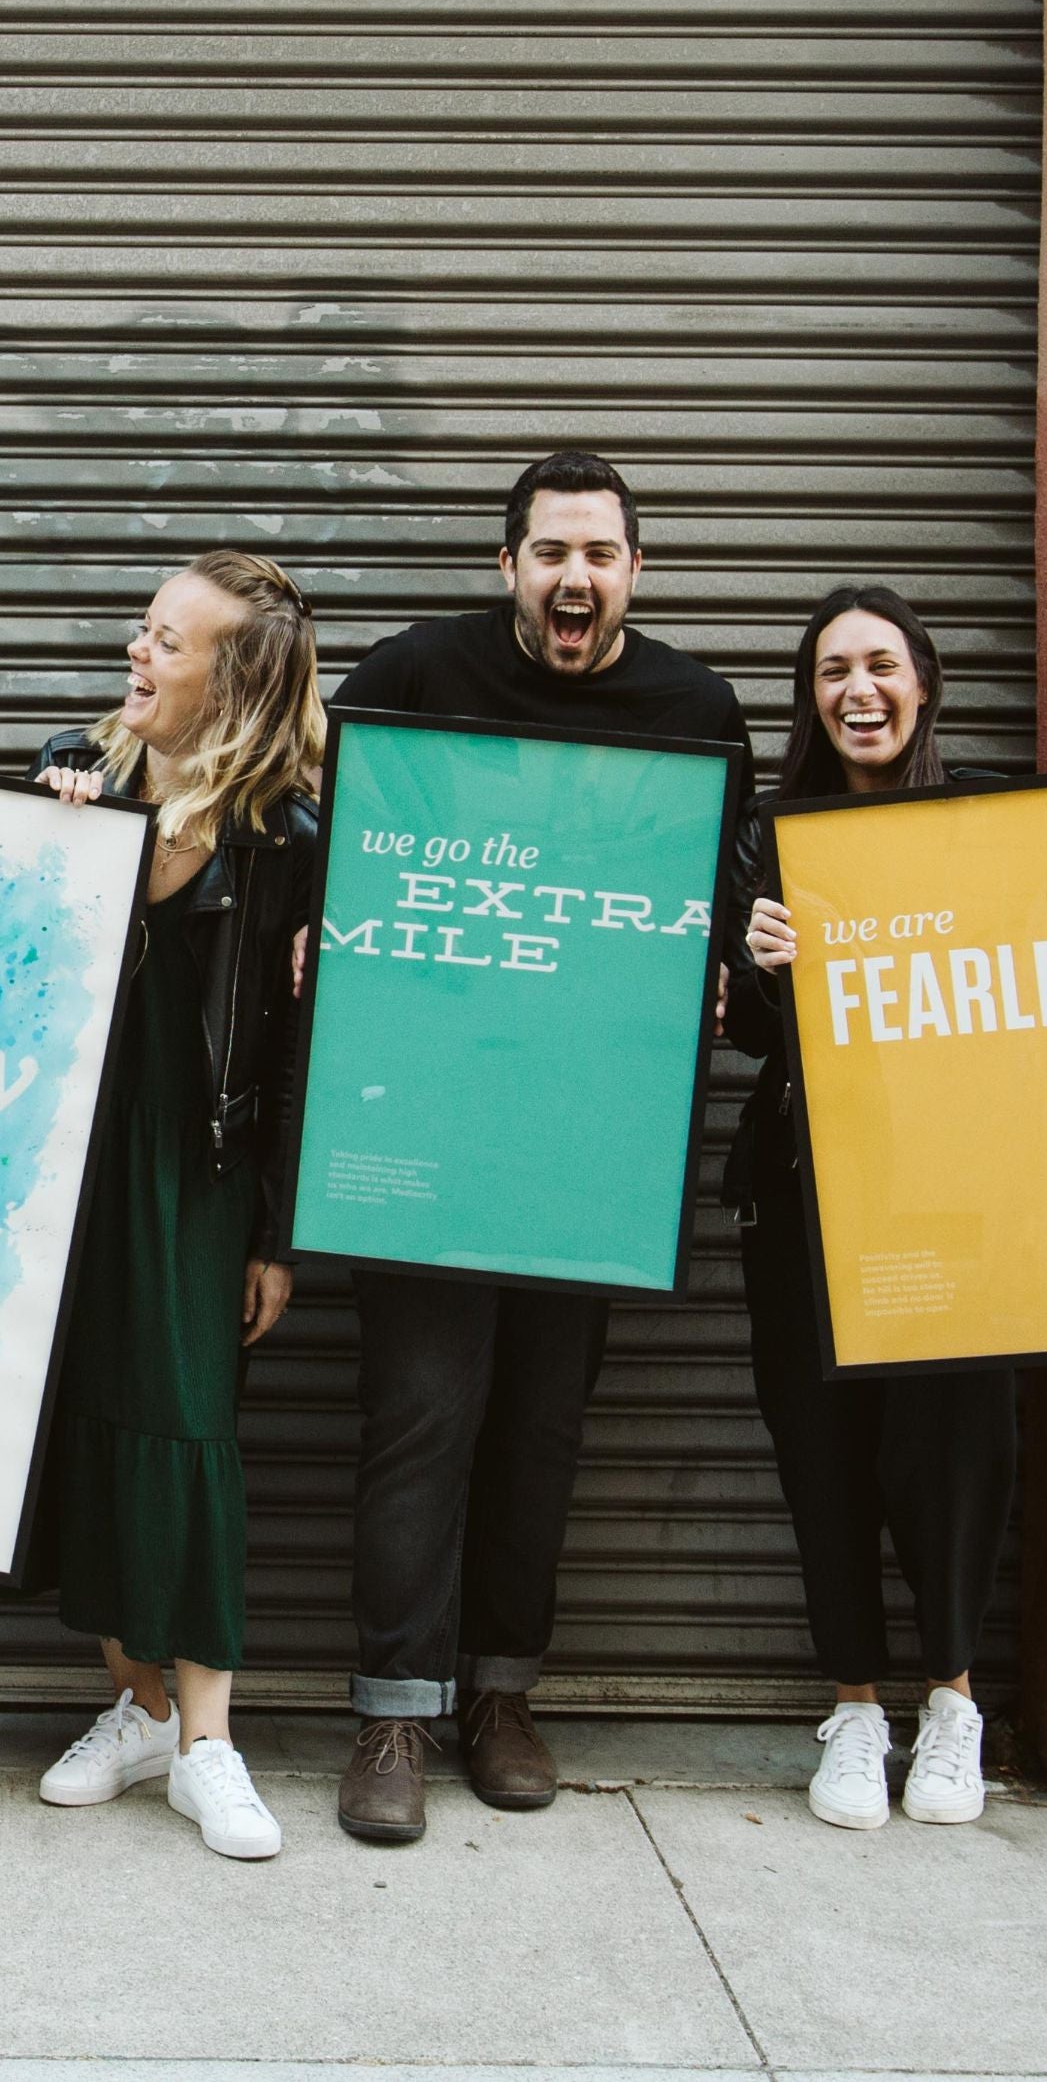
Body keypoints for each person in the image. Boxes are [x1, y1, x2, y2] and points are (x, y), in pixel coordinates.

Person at [727, 586, 1047, 1828]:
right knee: (823, 1453)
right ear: (808, 697)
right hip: (804, 1192)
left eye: (879, 666)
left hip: (971, 1192)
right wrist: (751, 962)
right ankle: (853, 1708)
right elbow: (738, 1031)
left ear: (923, 683)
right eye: (831, 669)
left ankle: (950, 1703)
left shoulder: (994, 821)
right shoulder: (766, 838)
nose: (857, 690)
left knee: (956, 1449)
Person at [327, 453, 756, 1845]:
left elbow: (727, 900)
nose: (577, 578)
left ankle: (498, 1698)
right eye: (551, 552)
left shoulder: (693, 713)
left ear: (640, 571)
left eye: (602, 553)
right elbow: (324, 842)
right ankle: (391, 1708)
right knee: (420, 1420)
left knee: (541, 1437)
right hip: (429, 1123)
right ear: (506, 565)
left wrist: (717, 967)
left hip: (593, 1137)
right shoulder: (409, 681)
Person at [27, 552, 329, 1862]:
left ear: (235, 677)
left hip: (197, 1167)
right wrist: (53, 840)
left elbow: (303, 1056)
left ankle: (210, 1743)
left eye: (167, 641)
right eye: (141, 632)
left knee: (191, 1432)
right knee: (85, 1424)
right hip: (62, 1166)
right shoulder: (72, 775)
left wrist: (279, 1231)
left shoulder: (287, 840)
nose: (136, 656)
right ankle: (138, 1706)